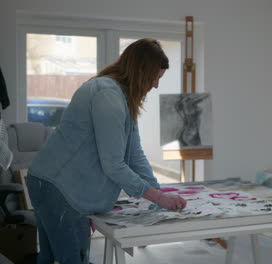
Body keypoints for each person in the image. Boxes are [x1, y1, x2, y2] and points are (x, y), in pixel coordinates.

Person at [26, 38, 187, 264]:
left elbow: (134, 154)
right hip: (60, 188)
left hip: (52, 182)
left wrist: (157, 195)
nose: (155, 85)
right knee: (72, 259)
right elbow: (114, 165)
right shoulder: (107, 95)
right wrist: (157, 196)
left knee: (50, 258)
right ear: (141, 71)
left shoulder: (122, 97)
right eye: (155, 77)